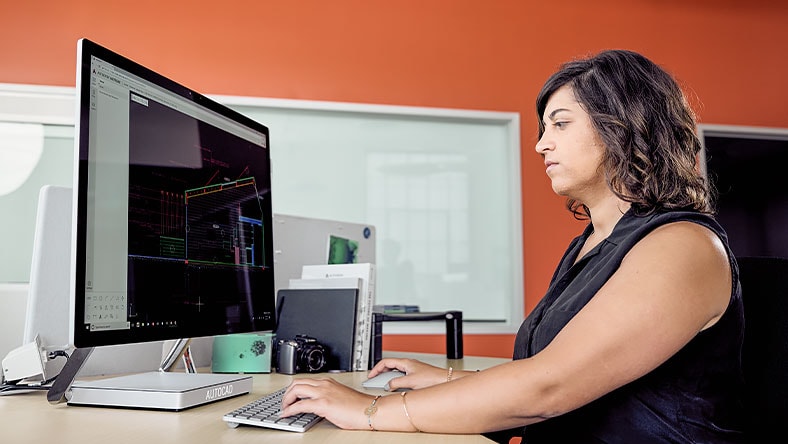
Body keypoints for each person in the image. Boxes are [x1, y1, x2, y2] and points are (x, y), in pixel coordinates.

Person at [281, 49, 745, 443]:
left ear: (622, 127)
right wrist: (443, 379)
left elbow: (549, 389)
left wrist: (367, 413)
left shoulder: (682, 246)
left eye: (560, 125)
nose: (542, 145)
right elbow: (556, 372)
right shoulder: (592, 244)